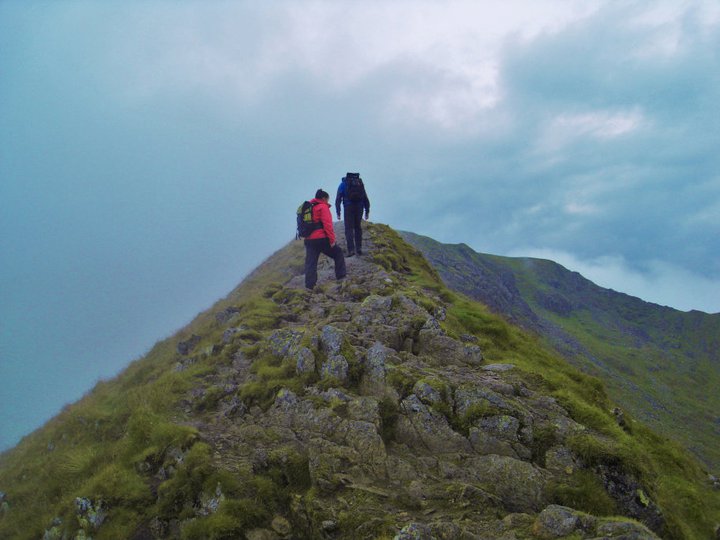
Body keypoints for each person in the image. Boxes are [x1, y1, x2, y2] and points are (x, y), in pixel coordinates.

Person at [304, 189, 346, 290]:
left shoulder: (308, 207)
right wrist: (332, 241)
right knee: (338, 253)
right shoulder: (323, 207)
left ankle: (309, 286)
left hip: (309, 240)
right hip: (321, 239)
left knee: (311, 262)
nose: (328, 202)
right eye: (327, 199)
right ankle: (341, 277)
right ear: (323, 198)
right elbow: (328, 225)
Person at [335, 173, 370, 256]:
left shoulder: (343, 184)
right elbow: (365, 198)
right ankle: (359, 248)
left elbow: (338, 199)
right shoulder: (359, 183)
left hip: (348, 207)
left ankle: (351, 250)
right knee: (358, 227)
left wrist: (338, 212)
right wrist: (367, 211)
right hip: (359, 207)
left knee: (349, 228)